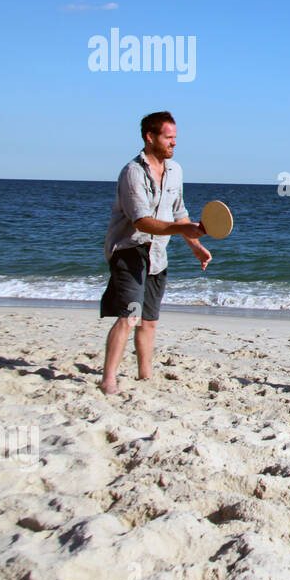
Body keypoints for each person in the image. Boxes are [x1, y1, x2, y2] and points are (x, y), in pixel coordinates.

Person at [98, 111, 210, 395]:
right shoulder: (132, 172)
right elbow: (141, 221)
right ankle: (108, 378)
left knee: (149, 320)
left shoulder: (176, 171)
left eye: (175, 138)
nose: (174, 143)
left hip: (158, 255)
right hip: (129, 249)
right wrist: (182, 230)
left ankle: (144, 376)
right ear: (150, 137)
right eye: (168, 137)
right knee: (130, 316)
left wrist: (196, 248)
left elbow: (180, 213)